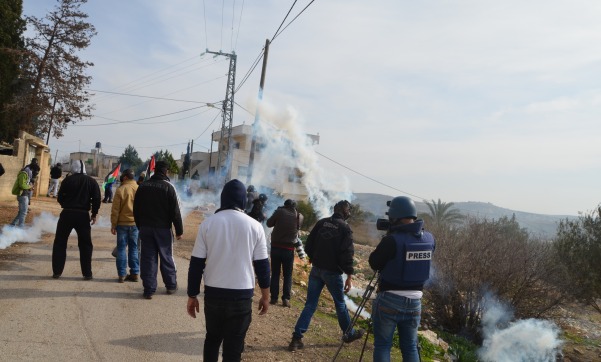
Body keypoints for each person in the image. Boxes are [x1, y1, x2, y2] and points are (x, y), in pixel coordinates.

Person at [187, 179, 270, 362]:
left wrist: (192, 295)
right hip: (241, 297)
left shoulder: (208, 224)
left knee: (212, 339)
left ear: (223, 198)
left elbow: (196, 264)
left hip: (214, 294)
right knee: (233, 348)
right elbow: (263, 266)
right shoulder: (255, 227)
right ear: (243, 201)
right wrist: (265, 295)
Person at [288, 200, 364, 351]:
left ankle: (296, 339)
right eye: (348, 211)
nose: (349, 213)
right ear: (344, 211)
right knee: (340, 304)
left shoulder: (321, 223)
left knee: (310, 305)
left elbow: (308, 243)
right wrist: (349, 275)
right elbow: (347, 254)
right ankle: (349, 334)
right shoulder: (345, 228)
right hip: (332, 273)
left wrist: (313, 258)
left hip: (316, 270)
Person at [368, 196, 436, 362]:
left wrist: (389, 238)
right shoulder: (430, 239)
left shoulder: (391, 240)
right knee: (410, 346)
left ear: (394, 217)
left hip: (389, 300)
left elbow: (374, 263)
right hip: (415, 303)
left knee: (384, 345)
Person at [133, 160, 183, 299]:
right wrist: (179, 230)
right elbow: (175, 211)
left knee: (148, 258)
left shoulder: (142, 186)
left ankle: (149, 289)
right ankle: (171, 285)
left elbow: (136, 209)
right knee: (166, 256)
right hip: (163, 229)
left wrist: (139, 225)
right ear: (166, 171)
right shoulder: (168, 187)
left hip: (145, 228)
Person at [51, 159, 101, 280]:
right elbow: (97, 199)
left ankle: (57, 271)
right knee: (85, 245)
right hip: (83, 215)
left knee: (60, 243)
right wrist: (94, 214)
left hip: (67, 213)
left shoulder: (67, 180)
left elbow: (60, 197)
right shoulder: (91, 181)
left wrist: (66, 204)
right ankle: (87, 273)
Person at [266, 199, 303, 307]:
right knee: (288, 275)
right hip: (289, 250)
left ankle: (273, 298)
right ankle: (286, 299)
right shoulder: (299, 216)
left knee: (275, 273)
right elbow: (296, 231)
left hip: (276, 247)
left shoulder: (280, 212)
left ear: (285, 205)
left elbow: (269, 223)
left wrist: (276, 213)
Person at [110, 168, 140, 283]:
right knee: (134, 249)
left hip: (122, 224)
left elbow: (115, 210)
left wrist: (113, 224)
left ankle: (122, 275)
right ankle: (135, 273)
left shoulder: (120, 190)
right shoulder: (139, 189)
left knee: (121, 249)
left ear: (126, 177)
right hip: (135, 224)